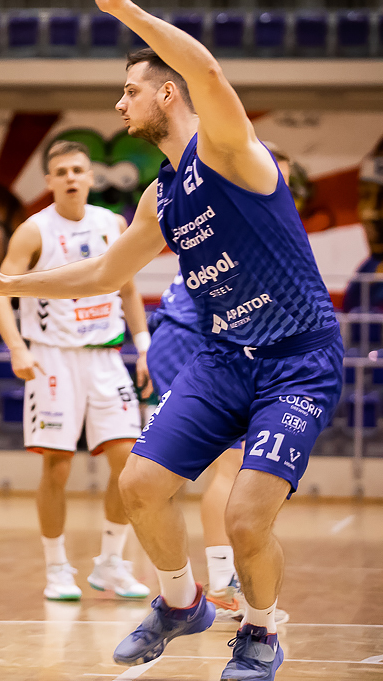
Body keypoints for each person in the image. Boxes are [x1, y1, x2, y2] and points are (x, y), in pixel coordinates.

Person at [0, 0, 341, 680]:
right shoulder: (160, 198)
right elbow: (103, 272)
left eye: (129, 90)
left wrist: (125, 10)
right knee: (138, 484)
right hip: (224, 358)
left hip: (296, 360)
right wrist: (7, 286)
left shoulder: (228, 150)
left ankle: (260, 632)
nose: (118, 102)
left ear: (166, 93)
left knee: (245, 520)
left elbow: (207, 70)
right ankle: (180, 601)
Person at [0, 139, 152, 602]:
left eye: (78, 170)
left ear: (91, 177)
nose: (71, 178)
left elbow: (129, 290)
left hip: (106, 356)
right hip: (53, 357)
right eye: (61, 172)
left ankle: (111, 563)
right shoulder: (34, 231)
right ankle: (57, 567)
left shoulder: (112, 224)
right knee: (57, 468)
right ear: (49, 181)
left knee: (129, 465)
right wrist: (17, 349)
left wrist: (144, 347)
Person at [147, 152, 294, 628]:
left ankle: (217, 585)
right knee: (229, 467)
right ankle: (221, 586)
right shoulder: (241, 207)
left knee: (229, 467)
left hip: (193, 337)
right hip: (193, 338)